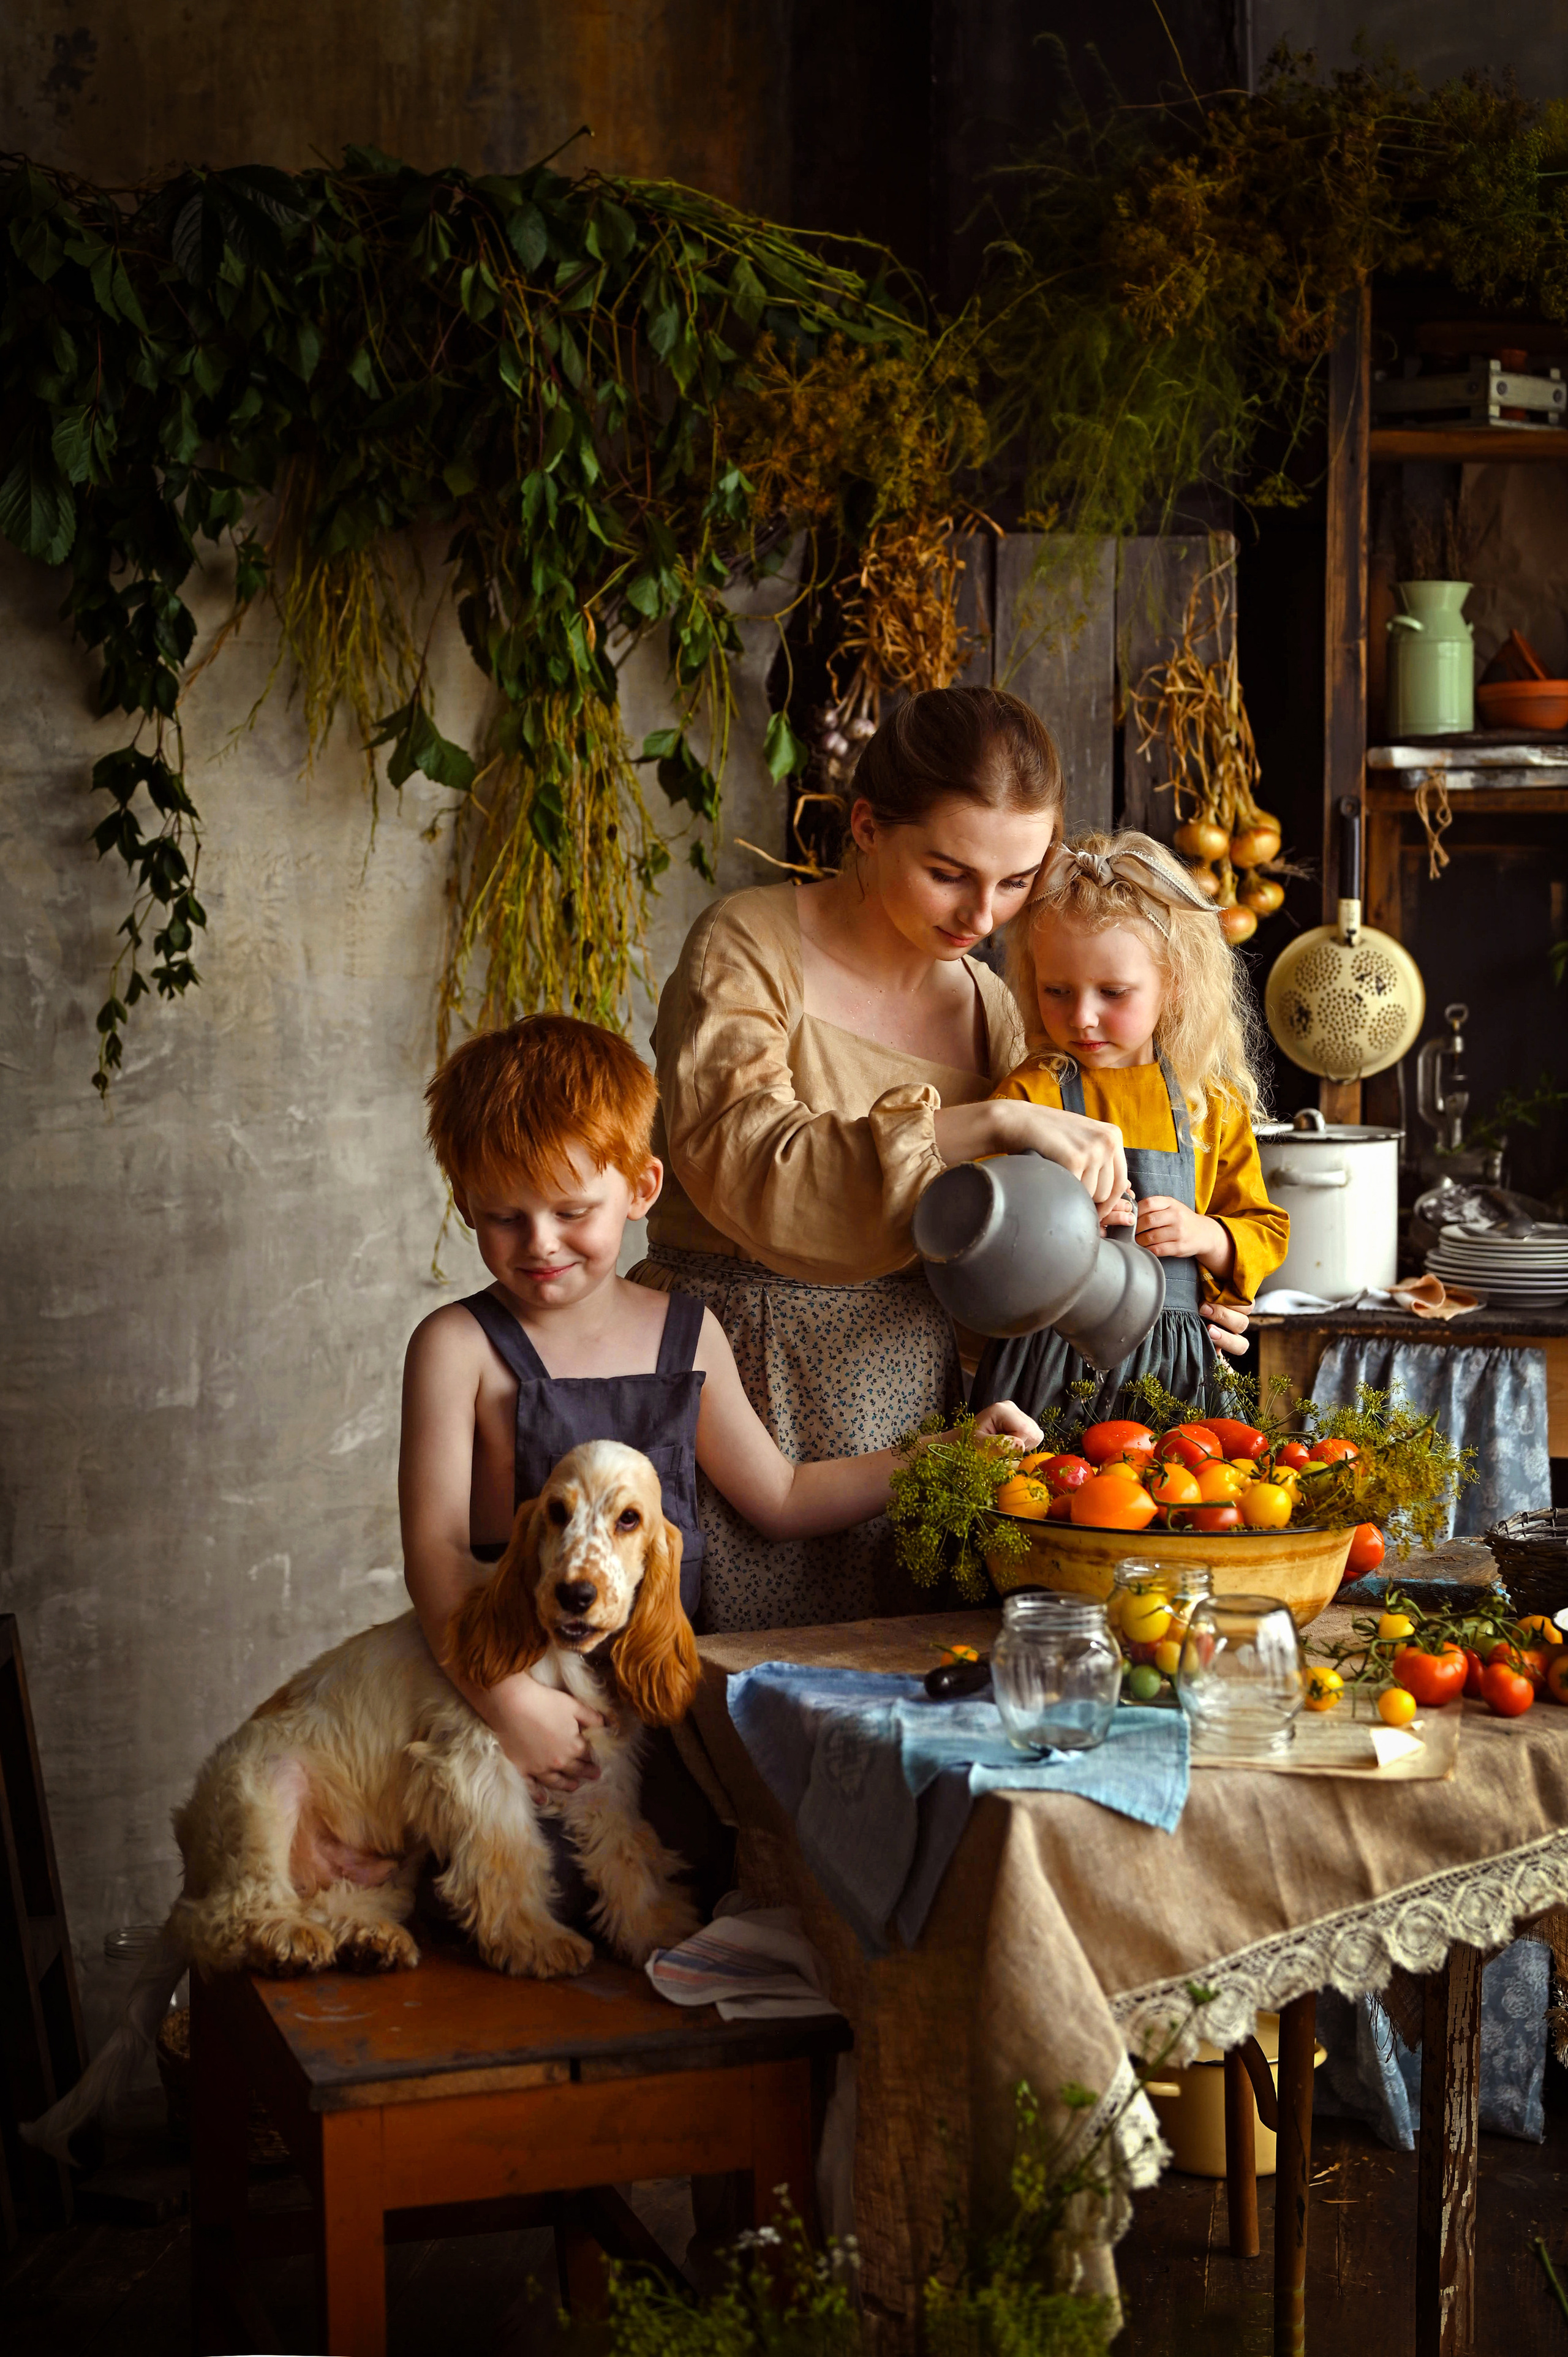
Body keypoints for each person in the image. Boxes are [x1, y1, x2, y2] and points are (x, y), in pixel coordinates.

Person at [639, 686, 1251, 1631]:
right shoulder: (750, 945)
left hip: (921, 1395)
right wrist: (985, 1128)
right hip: (741, 1378)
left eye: (1015, 883)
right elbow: (749, 1168)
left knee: (903, 1697)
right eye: (949, 872)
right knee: (730, 1694)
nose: (983, 913)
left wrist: (1159, 1301)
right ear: (868, 826)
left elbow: (1021, 1250)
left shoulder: (992, 1007)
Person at [399, 1013, 1041, 1800]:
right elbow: (436, 1558)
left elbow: (781, 1495)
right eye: (505, 1216)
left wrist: (949, 1449)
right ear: (465, 1202)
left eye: (571, 1212)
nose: (540, 1242)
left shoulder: (685, 1331)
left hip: (663, 1705)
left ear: (640, 1188)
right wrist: (512, 1706)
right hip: (510, 1709)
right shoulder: (454, 1345)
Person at [969, 831, 1288, 1431]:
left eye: (1112, 992)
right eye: (1056, 991)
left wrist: (1203, 1233)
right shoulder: (1029, 1096)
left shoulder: (1208, 1105)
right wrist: (1058, 1232)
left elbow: (1262, 1230)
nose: (1081, 1015)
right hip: (1047, 1360)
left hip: (1177, 1364)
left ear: (1174, 983)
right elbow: (984, 1229)